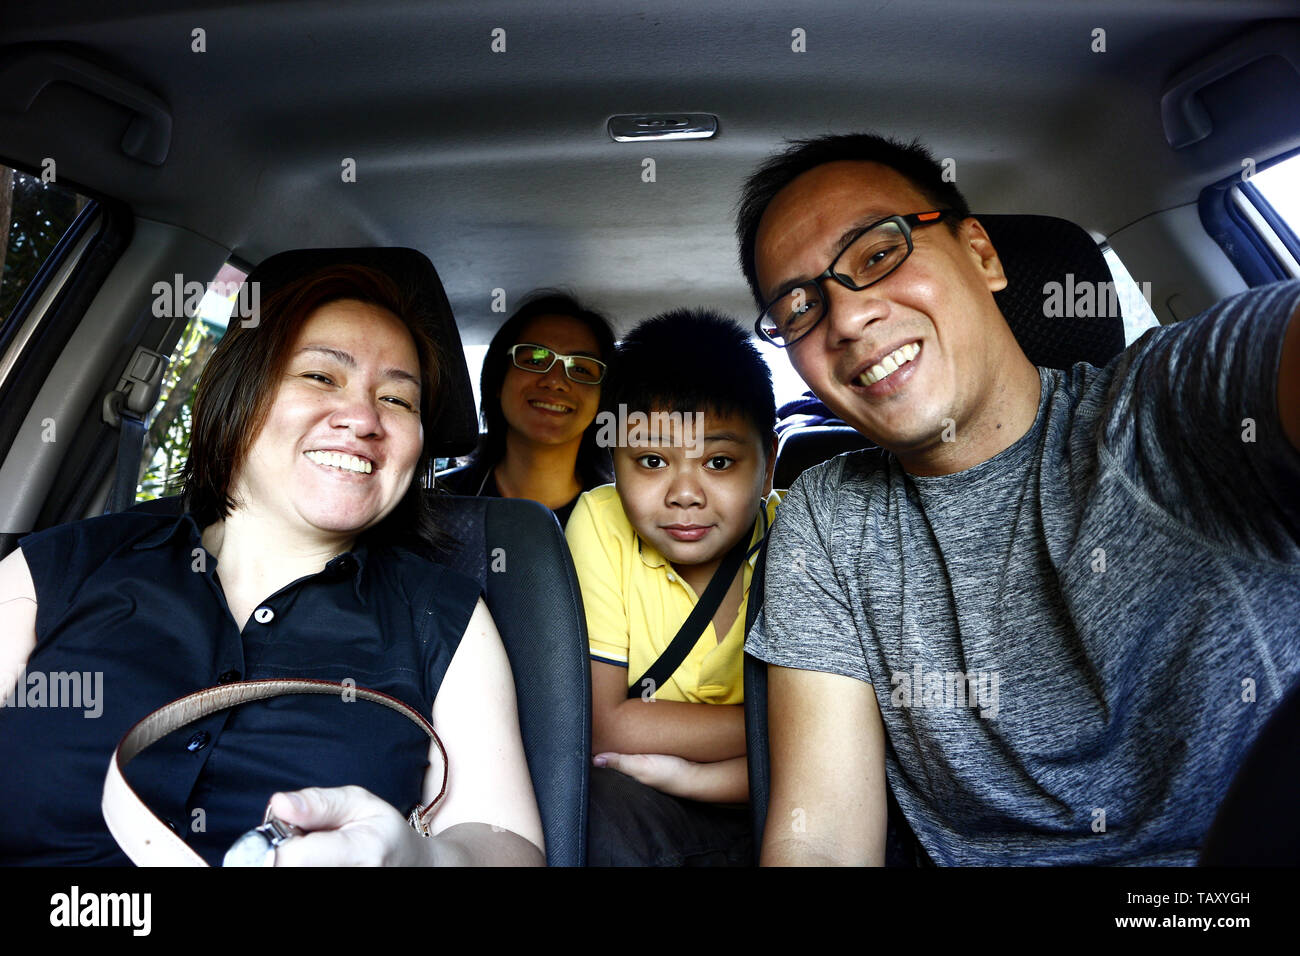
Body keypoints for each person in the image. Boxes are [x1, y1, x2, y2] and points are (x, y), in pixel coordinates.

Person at [736, 133, 1300, 865]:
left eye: (878, 255)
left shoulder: (1174, 402)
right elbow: (822, 840)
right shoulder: (830, 515)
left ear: (981, 255)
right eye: (801, 306)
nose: (845, 319)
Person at [0, 263, 544, 866]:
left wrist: (421, 859)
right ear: (240, 395)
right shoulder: (63, 565)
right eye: (320, 376)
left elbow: (506, 843)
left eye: (396, 398)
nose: (364, 420)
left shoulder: (443, 616)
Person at [565, 308, 780, 866]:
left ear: (769, 465)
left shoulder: (801, 535)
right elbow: (605, 723)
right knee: (598, 810)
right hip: (647, 799)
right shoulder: (599, 521)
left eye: (719, 461)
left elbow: (837, 751)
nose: (685, 494)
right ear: (614, 461)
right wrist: (781, 724)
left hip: (792, 796)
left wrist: (689, 776)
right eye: (653, 460)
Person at [440, 292, 616, 527]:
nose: (555, 380)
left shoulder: (624, 520)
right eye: (535, 360)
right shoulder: (437, 505)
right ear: (497, 382)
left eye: (580, 369)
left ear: (602, 399)